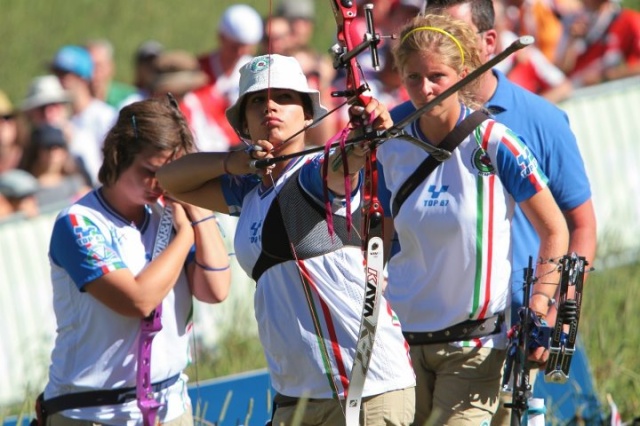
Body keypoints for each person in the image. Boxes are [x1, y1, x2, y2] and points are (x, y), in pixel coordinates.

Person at [157, 54, 416, 426]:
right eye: (257, 101)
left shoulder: (315, 173)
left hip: (367, 387)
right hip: (295, 397)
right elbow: (170, 180)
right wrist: (236, 163)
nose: (270, 107)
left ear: (308, 114)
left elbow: (349, 157)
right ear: (244, 123)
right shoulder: (247, 194)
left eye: (284, 97)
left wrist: (362, 133)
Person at [390, 1, 597, 422]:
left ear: (484, 43)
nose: (439, 40)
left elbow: (577, 225)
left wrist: (555, 310)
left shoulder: (538, 121)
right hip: (417, 329)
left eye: (452, 32)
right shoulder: (398, 130)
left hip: (511, 327)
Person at [39, 96, 231, 425]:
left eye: (171, 173)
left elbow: (215, 290)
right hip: (91, 412)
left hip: (171, 407)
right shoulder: (78, 222)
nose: (160, 184)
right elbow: (138, 300)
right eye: (150, 171)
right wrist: (185, 235)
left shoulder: (172, 215)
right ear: (118, 156)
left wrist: (195, 206)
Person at [20, 75, 101, 186]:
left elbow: (95, 182)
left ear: (64, 108)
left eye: (54, 106)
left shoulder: (82, 139)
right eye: (41, 108)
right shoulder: (24, 145)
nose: (48, 114)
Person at [50, 45, 117, 155]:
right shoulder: (57, 117)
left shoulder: (105, 117)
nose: (58, 80)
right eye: (56, 73)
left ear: (82, 77)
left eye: (64, 74)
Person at [19, 123, 90, 209]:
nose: (52, 154)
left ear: (65, 152)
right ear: (36, 153)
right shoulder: (25, 188)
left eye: (57, 147)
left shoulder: (75, 183)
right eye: (47, 148)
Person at [85, 38, 137, 109]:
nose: (92, 72)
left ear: (110, 67)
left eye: (98, 66)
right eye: (88, 66)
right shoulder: (76, 103)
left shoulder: (130, 98)